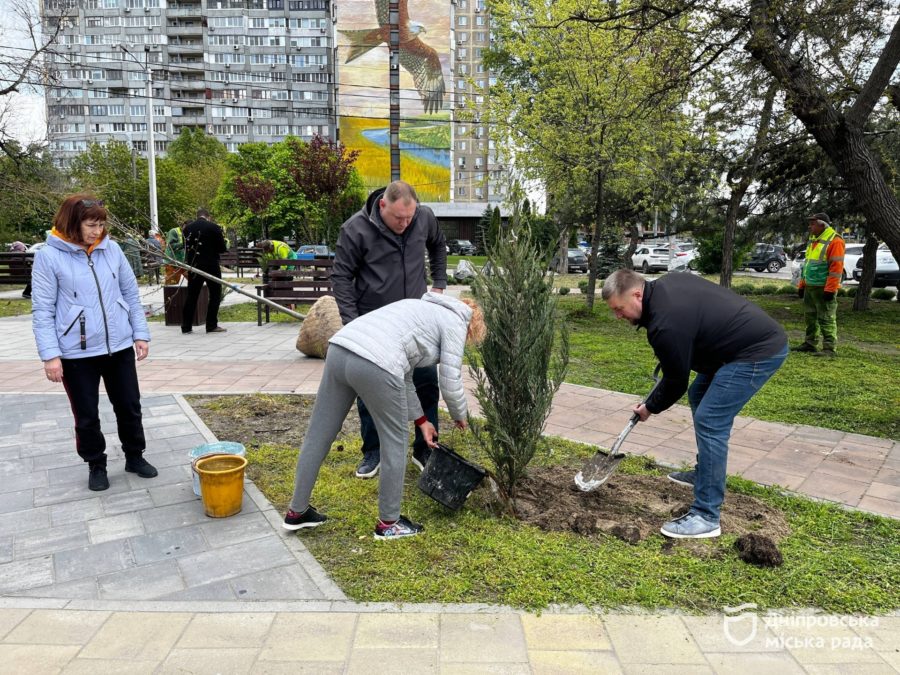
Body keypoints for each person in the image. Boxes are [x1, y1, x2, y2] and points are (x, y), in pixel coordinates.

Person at [602, 269, 787, 539]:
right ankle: (706, 474)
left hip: (756, 351)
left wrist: (649, 407)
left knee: (711, 419)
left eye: (619, 309)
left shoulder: (665, 324)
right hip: (732, 347)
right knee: (699, 394)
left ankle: (706, 515)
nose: (618, 316)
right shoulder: (668, 283)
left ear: (637, 294)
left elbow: (675, 381)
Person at [283, 293, 484, 539]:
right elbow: (451, 381)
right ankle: (389, 523)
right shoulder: (456, 321)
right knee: (395, 441)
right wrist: (459, 415)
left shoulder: (420, 307)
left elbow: (405, 374)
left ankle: (297, 511)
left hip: (340, 348)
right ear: (472, 326)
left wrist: (422, 421)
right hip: (375, 361)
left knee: (319, 433)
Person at [30, 195, 158, 492]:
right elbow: (43, 310)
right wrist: (50, 355)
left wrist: (140, 334)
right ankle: (96, 464)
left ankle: (135, 456)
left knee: (129, 405)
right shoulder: (49, 256)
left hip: (119, 346)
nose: (97, 231)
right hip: (76, 352)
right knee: (86, 414)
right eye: (91, 224)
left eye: (101, 225)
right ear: (72, 223)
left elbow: (130, 294)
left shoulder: (111, 250)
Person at [331, 180, 448, 479]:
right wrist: (353, 322)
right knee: (371, 390)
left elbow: (437, 245)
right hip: (375, 324)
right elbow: (342, 277)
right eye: (399, 218)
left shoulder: (424, 218)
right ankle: (373, 450)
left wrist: (439, 284)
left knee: (425, 383)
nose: (405, 223)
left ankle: (425, 448)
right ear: (382, 205)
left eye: (410, 217)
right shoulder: (355, 229)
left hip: (416, 322)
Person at [793, 213, 845, 357]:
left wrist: (830, 289)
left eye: (812, 224)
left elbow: (836, 268)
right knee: (810, 317)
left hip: (823, 287)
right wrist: (802, 285)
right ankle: (810, 344)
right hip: (810, 285)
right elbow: (808, 264)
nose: (810, 227)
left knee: (826, 318)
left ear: (822, 224)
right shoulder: (814, 239)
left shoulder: (835, 240)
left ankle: (829, 348)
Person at [181, 208, 228, 334]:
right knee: (215, 295)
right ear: (208, 217)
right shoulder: (214, 227)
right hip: (211, 265)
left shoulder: (187, 229)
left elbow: (185, 248)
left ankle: (186, 326)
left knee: (192, 295)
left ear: (197, 216)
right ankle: (211, 325)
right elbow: (222, 248)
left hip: (194, 265)